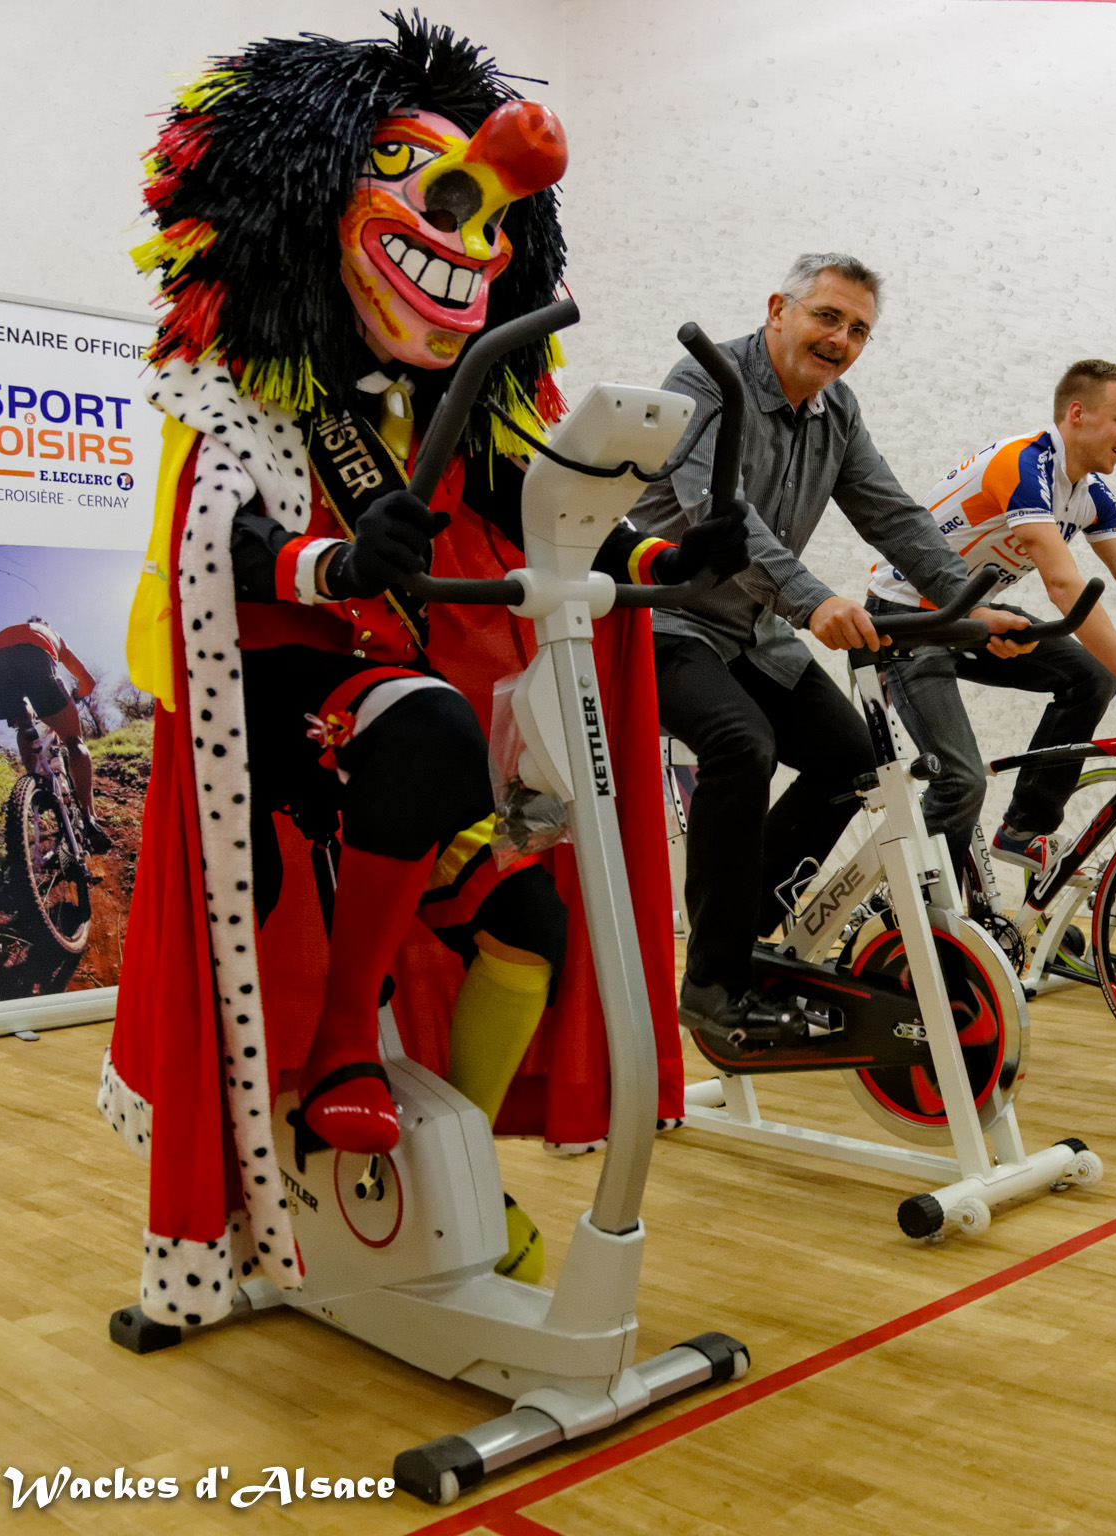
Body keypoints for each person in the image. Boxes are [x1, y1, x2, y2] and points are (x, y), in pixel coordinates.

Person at [105, 15, 747, 1324]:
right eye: (428, 178)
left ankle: (440, 1158)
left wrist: (671, 551)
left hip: (399, 716)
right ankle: (342, 1043)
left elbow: (545, 518)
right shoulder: (247, 386)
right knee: (427, 729)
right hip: (285, 719)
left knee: (535, 924)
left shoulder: (472, 400)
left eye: (497, 210)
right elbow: (212, 545)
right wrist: (328, 568)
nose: (473, 228)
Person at [627, 253, 1034, 1038]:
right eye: (827, 317)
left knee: (856, 763)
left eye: (858, 331)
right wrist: (815, 602)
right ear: (778, 308)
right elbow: (724, 517)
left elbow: (896, 516)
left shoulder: (836, 410)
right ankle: (710, 984)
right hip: (665, 617)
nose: (840, 339)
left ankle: (740, 935)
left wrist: (971, 606)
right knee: (739, 744)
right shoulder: (705, 382)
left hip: (753, 631)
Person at [864, 359, 1116, 879]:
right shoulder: (1022, 464)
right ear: (1078, 414)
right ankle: (915, 917)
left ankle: (1024, 830)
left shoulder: (1088, 494)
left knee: (1089, 674)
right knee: (961, 783)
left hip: (968, 613)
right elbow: (1063, 586)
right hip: (904, 619)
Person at [0, 616, 111, 852]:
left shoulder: (11, 630)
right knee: (73, 740)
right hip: (34, 658)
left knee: (24, 722)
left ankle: (33, 782)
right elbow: (88, 682)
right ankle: (89, 817)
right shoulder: (50, 635)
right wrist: (75, 698)